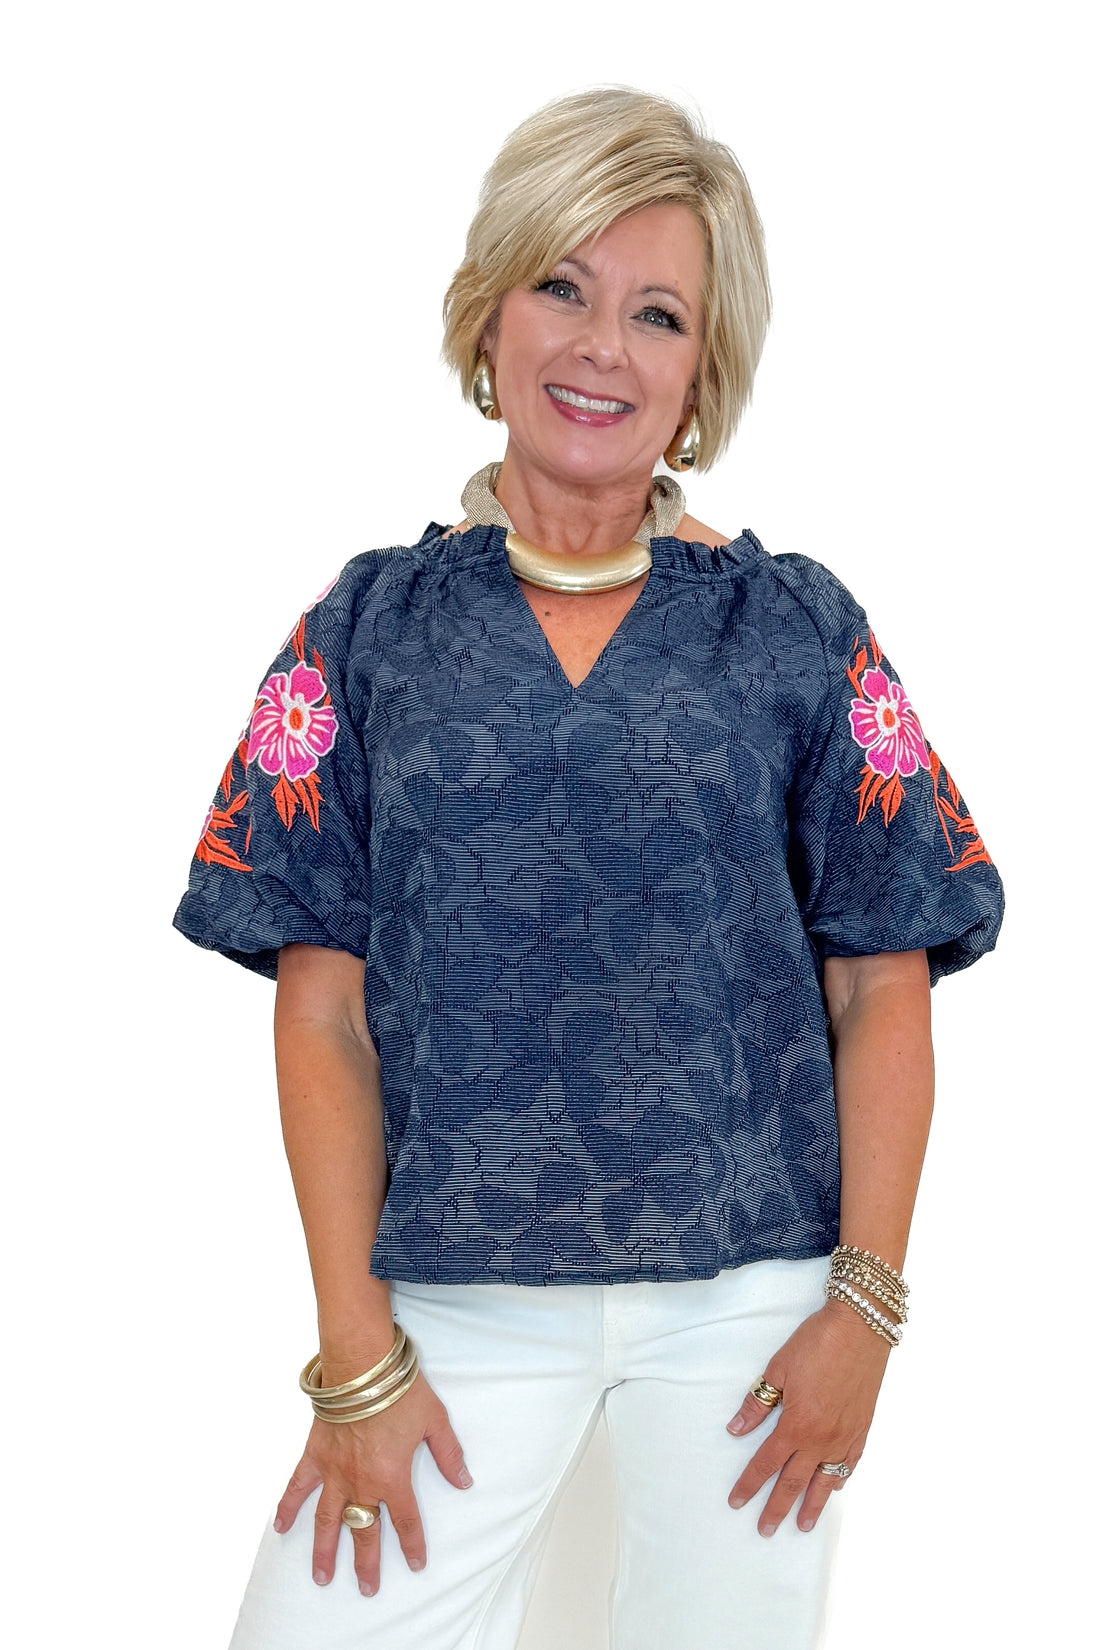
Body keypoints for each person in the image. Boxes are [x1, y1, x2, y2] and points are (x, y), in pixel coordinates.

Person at [173, 87, 1004, 1650]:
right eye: (561, 284)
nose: (599, 346)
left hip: (751, 1310)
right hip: (452, 1304)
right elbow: (320, 1009)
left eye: (658, 313)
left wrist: (866, 1315)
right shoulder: (368, 634)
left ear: (701, 375)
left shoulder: (793, 630)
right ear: (490, 313)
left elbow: (885, 982)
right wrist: (357, 1350)